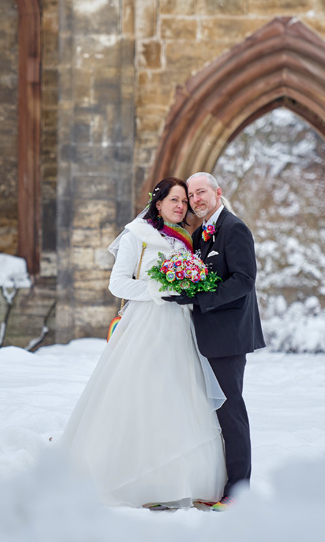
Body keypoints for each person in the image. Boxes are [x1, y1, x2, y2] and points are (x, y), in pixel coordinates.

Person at [58, 177, 226, 510]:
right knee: (143, 396)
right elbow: (117, 284)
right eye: (173, 200)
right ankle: (134, 478)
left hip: (181, 328)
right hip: (146, 327)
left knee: (180, 397)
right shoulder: (139, 236)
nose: (180, 206)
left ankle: (179, 479)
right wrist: (155, 291)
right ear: (158, 203)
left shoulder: (186, 241)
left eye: (184, 201)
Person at [164, 172, 265, 511]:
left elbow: (243, 280)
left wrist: (198, 300)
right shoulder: (202, 233)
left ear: (218, 192)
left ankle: (239, 491)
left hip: (229, 338)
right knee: (213, 413)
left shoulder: (234, 229)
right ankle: (216, 483)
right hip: (207, 337)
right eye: (191, 195)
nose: (196, 200)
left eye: (201, 192)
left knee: (230, 411)